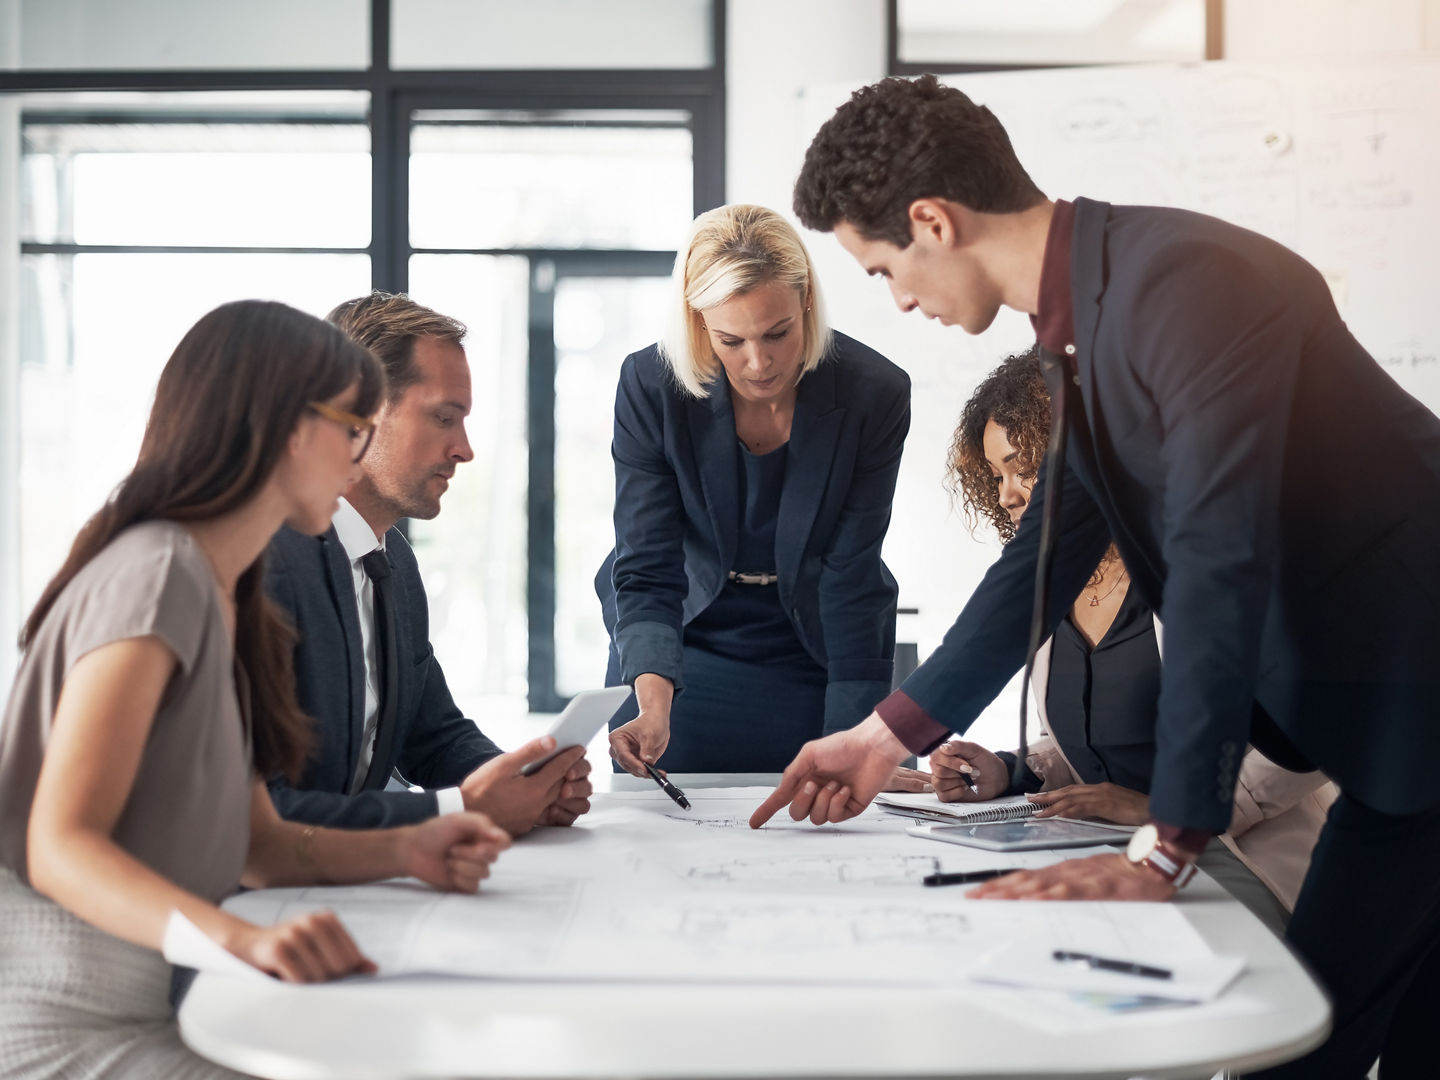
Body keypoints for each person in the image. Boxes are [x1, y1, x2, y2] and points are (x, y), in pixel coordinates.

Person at [750, 74, 1440, 1078]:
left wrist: (1168, 841)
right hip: (1394, 729)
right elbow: (1042, 550)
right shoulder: (1097, 320)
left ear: (932, 221)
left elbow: (1219, 560)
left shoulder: (1187, 285)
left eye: (882, 269)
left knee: (1302, 1045)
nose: (898, 299)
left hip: (1415, 711)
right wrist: (881, 734)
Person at [0, 300, 512, 1079]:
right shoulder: (157, 573)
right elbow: (60, 845)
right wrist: (242, 939)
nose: (360, 450)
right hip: (75, 1016)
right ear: (282, 428)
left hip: (180, 993)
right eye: (350, 425)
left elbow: (260, 841)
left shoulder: (223, 591)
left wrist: (409, 847)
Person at [930, 347, 1335, 930]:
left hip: (1235, 853)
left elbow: (1313, 736)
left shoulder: (1206, 561)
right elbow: (1094, 743)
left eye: (1022, 467)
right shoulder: (1057, 583)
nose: (1007, 495)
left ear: (1081, 459)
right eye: (995, 476)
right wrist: (1010, 769)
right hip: (1107, 849)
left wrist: (1167, 814)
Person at [597, 203, 926, 783]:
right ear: (699, 324)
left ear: (806, 303)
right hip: (682, 638)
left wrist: (857, 738)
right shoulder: (651, 386)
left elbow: (851, 572)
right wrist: (652, 704)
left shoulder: (875, 393)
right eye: (731, 340)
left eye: (778, 333)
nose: (759, 362)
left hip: (816, 642)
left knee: (841, 817)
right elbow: (648, 566)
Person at [265, 291, 593, 835]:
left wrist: (521, 781)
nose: (464, 449)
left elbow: (433, 735)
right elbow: (262, 812)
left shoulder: (391, 559)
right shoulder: (269, 564)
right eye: (445, 418)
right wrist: (459, 810)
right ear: (360, 414)